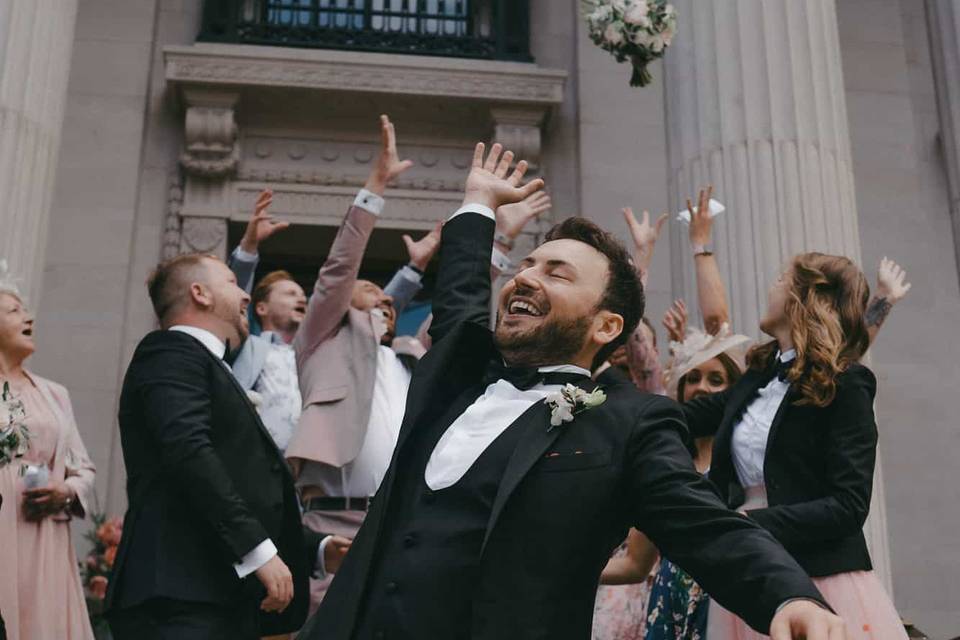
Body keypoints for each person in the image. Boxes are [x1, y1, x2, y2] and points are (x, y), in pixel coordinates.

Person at [299, 141, 847, 640]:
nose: (526, 278)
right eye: (527, 265)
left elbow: (705, 525)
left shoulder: (633, 422)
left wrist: (787, 595)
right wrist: (477, 202)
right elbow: (462, 295)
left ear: (606, 327)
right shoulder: (458, 376)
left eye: (557, 273)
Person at [679, 251, 909, 639]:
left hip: (819, 577)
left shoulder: (847, 384)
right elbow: (682, 416)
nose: (771, 287)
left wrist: (751, 524)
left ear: (804, 298)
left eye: (780, 279)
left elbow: (849, 506)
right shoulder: (758, 378)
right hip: (749, 571)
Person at [105, 254, 325, 640]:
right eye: (230, 282)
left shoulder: (210, 366)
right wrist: (258, 551)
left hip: (218, 595)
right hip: (178, 594)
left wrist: (316, 547)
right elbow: (188, 453)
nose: (243, 294)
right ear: (200, 293)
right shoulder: (170, 351)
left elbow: (241, 480)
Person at [226, 186, 441, 454]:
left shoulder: (326, 344)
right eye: (290, 294)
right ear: (260, 307)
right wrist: (249, 247)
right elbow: (232, 303)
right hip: (264, 464)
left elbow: (373, 310)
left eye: (302, 294)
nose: (301, 299)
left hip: (317, 461)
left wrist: (414, 269)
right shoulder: (251, 348)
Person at [0, 274, 96, 640]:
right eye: (14, 311)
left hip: (42, 533)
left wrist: (66, 491)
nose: (29, 318)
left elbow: (82, 467)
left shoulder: (55, 394)